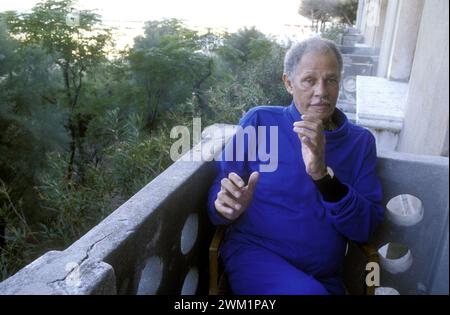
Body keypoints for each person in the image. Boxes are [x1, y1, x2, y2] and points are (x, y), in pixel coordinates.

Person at [207, 37, 384, 295]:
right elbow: (222, 185)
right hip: (257, 258)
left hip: (324, 277)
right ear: (289, 83)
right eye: (310, 80)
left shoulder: (360, 143)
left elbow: (365, 228)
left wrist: (322, 176)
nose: (322, 91)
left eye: (331, 80)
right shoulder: (261, 121)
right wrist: (225, 207)